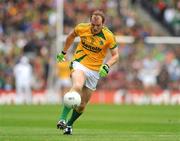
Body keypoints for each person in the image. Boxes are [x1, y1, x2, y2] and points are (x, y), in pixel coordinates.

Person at [56, 10, 119, 135]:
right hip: (79, 64)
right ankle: (62, 118)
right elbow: (70, 36)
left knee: (82, 105)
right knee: (77, 85)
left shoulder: (109, 36)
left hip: (95, 71)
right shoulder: (81, 28)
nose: (95, 28)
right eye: (93, 25)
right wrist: (63, 52)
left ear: (103, 24)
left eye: (98, 25)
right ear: (90, 21)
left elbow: (116, 55)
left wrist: (107, 65)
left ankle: (69, 125)